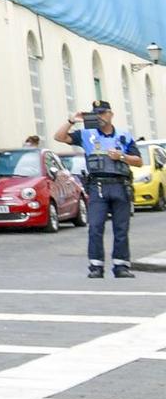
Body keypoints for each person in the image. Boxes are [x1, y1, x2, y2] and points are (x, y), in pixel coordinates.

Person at [59, 100, 141, 278]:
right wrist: (72, 121)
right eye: (96, 114)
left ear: (110, 114)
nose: (100, 117)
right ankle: (96, 266)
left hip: (120, 185)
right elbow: (59, 137)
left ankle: (121, 266)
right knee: (95, 227)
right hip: (98, 186)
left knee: (121, 228)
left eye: (103, 113)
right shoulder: (86, 134)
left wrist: (122, 156)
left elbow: (139, 161)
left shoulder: (123, 135)